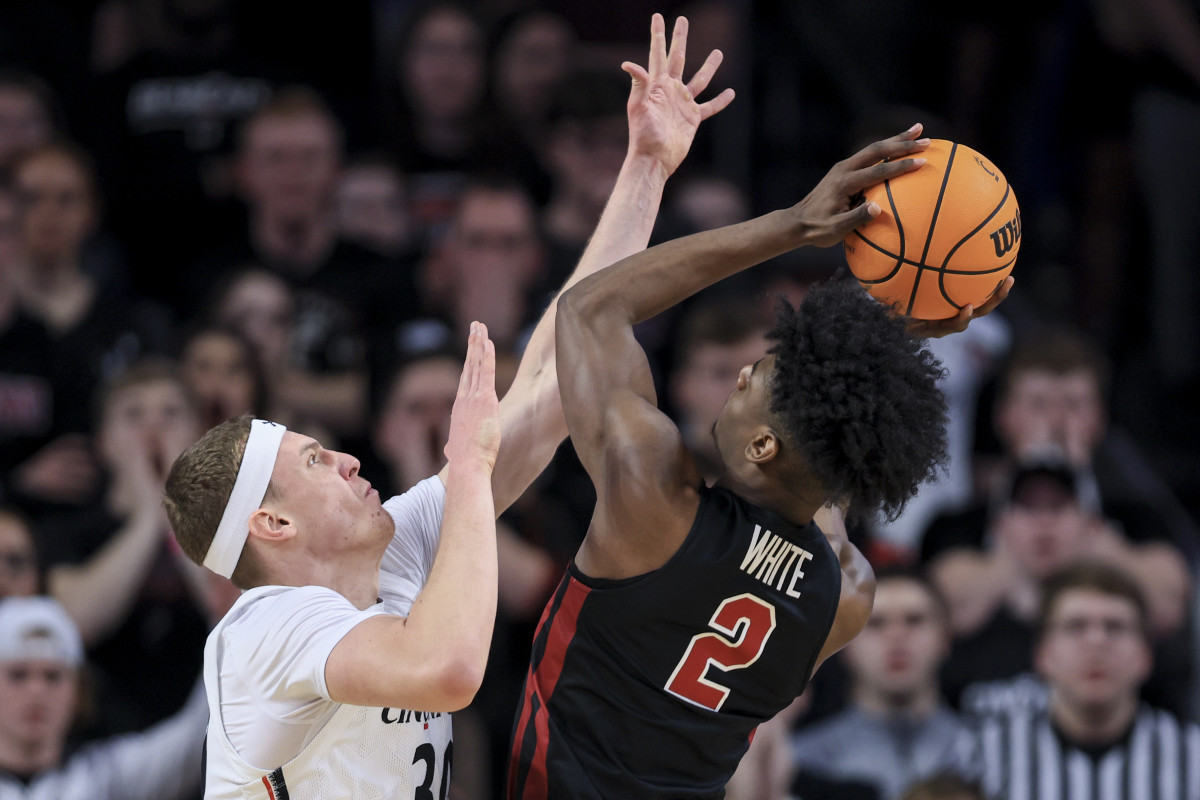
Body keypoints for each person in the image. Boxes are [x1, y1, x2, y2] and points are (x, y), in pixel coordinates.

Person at [161, 13, 735, 795]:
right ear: (273, 525)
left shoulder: (394, 547)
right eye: (315, 461)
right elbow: (449, 670)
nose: (349, 457)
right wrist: (468, 468)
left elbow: (555, 375)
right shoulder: (265, 628)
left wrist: (646, 167)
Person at [507, 104, 1012, 795]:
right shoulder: (847, 591)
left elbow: (592, 309)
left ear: (765, 443)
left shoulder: (650, 495)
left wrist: (795, 225)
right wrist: (906, 323)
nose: (742, 375)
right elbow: (834, 457)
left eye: (754, 382)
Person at [966, 560, 1200, 800]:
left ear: (1145, 655)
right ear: (1043, 655)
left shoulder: (1191, 757)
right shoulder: (985, 755)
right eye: (1075, 626)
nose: (1096, 643)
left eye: (1115, 627)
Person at [0, 595, 208, 800]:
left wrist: (227, 631)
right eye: (18, 675)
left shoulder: (105, 776)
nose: (37, 690)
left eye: (52, 676)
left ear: (77, 691)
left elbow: (192, 743)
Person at [788, 569, 972, 800]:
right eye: (875, 623)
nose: (896, 636)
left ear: (946, 638)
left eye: (914, 620)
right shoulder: (802, 762)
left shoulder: (985, 755)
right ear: (845, 644)